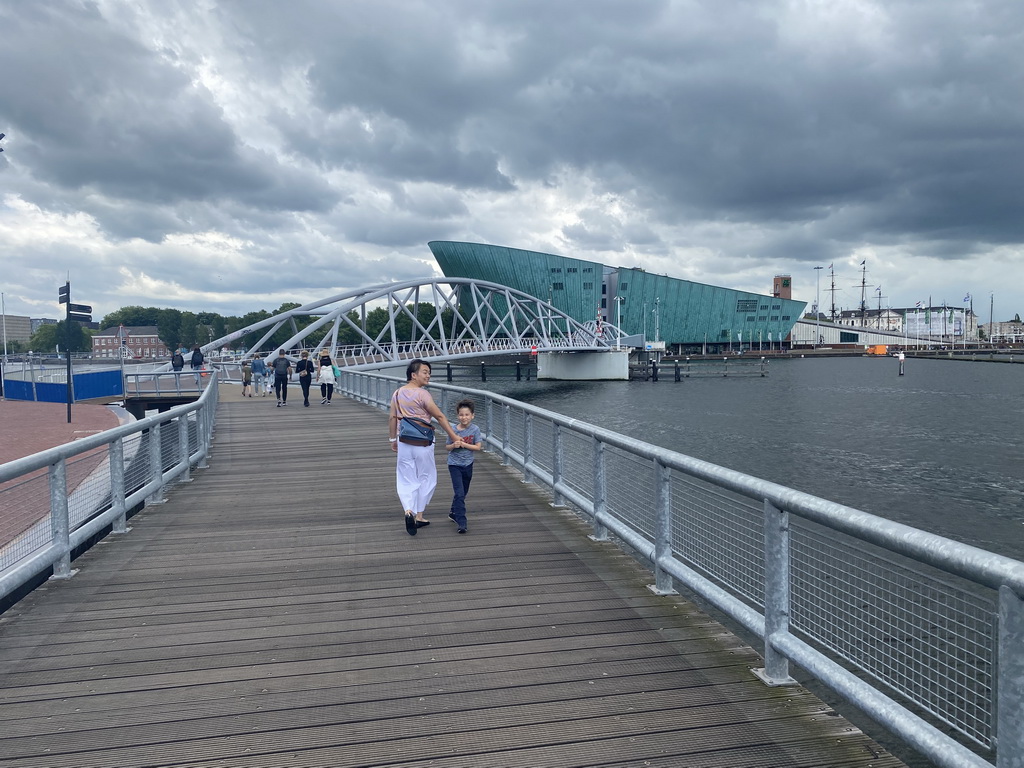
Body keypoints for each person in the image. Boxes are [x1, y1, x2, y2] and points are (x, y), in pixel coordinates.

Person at [388, 359, 459, 536]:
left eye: (429, 372)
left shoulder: (397, 393)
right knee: (427, 477)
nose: (428, 375)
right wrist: (454, 435)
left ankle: (408, 511)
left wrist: (392, 440)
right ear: (414, 375)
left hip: (404, 441)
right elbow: (440, 417)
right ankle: (419, 515)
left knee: (406, 478)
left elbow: (392, 418)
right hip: (423, 442)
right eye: (425, 372)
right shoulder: (423, 394)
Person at [446, 399, 482, 534]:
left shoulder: (475, 429)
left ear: (472, 415)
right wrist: (453, 445)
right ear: (457, 416)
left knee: (463, 492)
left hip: (468, 464)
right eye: (461, 415)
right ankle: (462, 522)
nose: (464, 417)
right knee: (459, 493)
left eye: (467, 415)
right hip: (454, 464)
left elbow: (477, 447)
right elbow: (447, 447)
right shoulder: (453, 430)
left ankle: (453, 511)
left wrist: (464, 444)